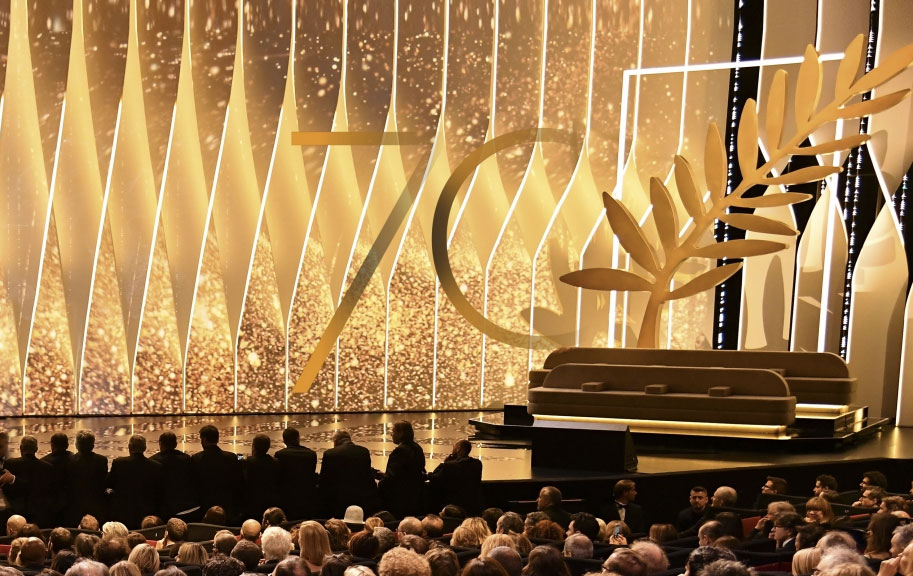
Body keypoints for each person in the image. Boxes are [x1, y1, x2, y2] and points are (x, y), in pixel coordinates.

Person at [318, 430, 380, 517]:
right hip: (361, 499)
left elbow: (324, 480)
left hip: (338, 501)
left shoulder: (330, 453)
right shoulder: (363, 451)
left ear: (336, 441)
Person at [106, 435, 163, 528]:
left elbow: (109, 483)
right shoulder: (156, 466)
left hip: (123, 513)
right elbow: (159, 491)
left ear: (129, 447)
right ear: (144, 448)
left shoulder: (119, 463)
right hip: (147, 515)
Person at [191, 425, 242, 521]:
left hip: (204, 506)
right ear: (217, 439)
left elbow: (193, 484)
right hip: (227, 506)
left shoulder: (196, 459)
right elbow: (238, 482)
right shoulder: (231, 457)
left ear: (204, 439)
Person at [2, 435, 54, 526]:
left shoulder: (10, 464)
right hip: (40, 516)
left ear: (21, 448)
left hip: (15, 515)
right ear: (36, 449)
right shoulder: (48, 468)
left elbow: (5, 489)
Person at [378, 421, 426, 518]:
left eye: (393, 431)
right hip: (416, 497)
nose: (391, 434)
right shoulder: (417, 448)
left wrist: (380, 483)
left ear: (401, 433)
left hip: (400, 500)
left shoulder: (400, 451)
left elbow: (392, 477)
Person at [427, 440, 483, 514]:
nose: (452, 450)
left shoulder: (450, 465)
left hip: (454, 505)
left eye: (453, 448)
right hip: (473, 504)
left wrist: (443, 462)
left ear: (458, 448)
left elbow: (435, 477)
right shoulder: (477, 464)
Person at [273, 427, 317, 520]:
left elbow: (277, 477)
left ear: (284, 440)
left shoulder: (280, 455)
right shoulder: (311, 454)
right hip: (306, 497)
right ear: (298, 438)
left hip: (286, 497)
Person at [150, 432, 196, 520]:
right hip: (185, 508)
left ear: (160, 444)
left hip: (162, 509)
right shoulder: (186, 459)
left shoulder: (153, 461)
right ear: (175, 444)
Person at [71, 431, 109, 525]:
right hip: (97, 505)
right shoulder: (101, 460)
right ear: (92, 445)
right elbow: (105, 482)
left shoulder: (69, 461)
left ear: (76, 445)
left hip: (75, 507)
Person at [242, 434, 280, 519]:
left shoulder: (249, 461)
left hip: (252, 501)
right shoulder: (275, 462)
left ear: (254, 446)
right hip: (270, 501)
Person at [41, 432, 74, 526]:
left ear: (52, 445)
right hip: (71, 504)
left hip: (50, 506)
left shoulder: (43, 462)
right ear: (67, 445)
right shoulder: (74, 459)